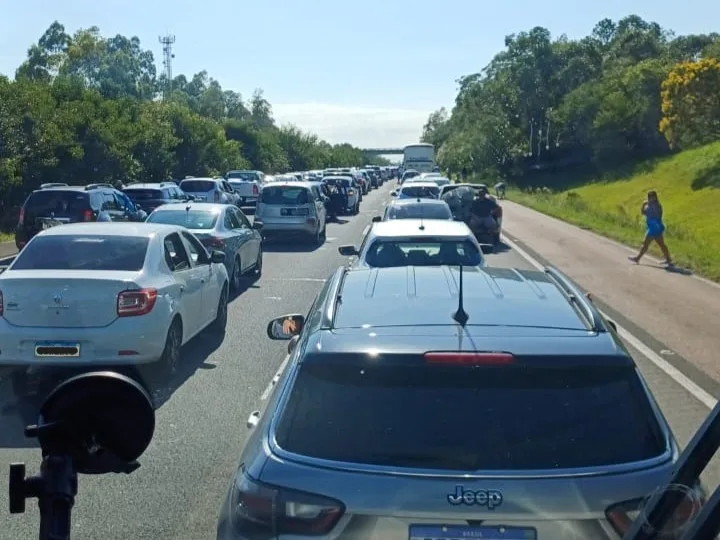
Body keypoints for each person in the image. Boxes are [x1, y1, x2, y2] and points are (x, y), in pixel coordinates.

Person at [629, 190, 673, 266]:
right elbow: (643, 213)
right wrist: (643, 205)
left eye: (652, 197)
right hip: (653, 227)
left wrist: (649, 205)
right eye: (649, 197)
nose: (650, 199)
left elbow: (657, 214)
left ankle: (637, 258)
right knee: (661, 244)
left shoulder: (657, 205)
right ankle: (668, 259)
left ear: (655, 197)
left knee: (646, 243)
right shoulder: (648, 205)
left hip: (655, 227)